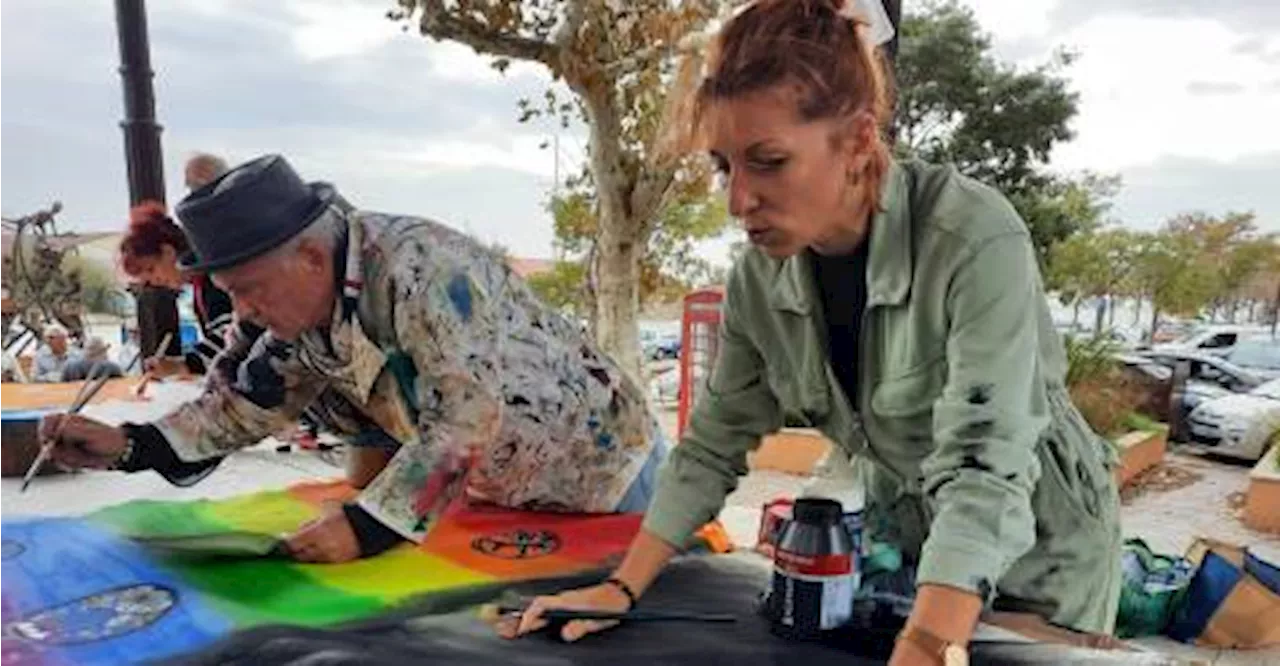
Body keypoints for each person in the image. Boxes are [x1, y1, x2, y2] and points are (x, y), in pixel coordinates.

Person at [494, 1, 1122, 664]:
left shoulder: (972, 238)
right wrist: (621, 586)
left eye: (767, 161)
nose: (738, 201)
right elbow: (711, 445)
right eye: (723, 168)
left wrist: (930, 643)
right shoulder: (758, 282)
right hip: (908, 541)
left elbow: (984, 465)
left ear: (856, 141)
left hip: (1041, 558)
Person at [41, 153, 667, 566]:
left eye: (248, 290)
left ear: (310, 257)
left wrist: (368, 530)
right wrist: (129, 445)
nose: (247, 314)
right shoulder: (306, 304)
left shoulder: (422, 270)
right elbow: (246, 403)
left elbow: (468, 414)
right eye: (233, 295)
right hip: (503, 490)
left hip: (606, 474)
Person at [118, 201, 256, 378]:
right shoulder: (203, 281)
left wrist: (185, 364)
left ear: (168, 252)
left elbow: (233, 335)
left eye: (151, 269)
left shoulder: (214, 277)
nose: (156, 281)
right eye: (148, 280)